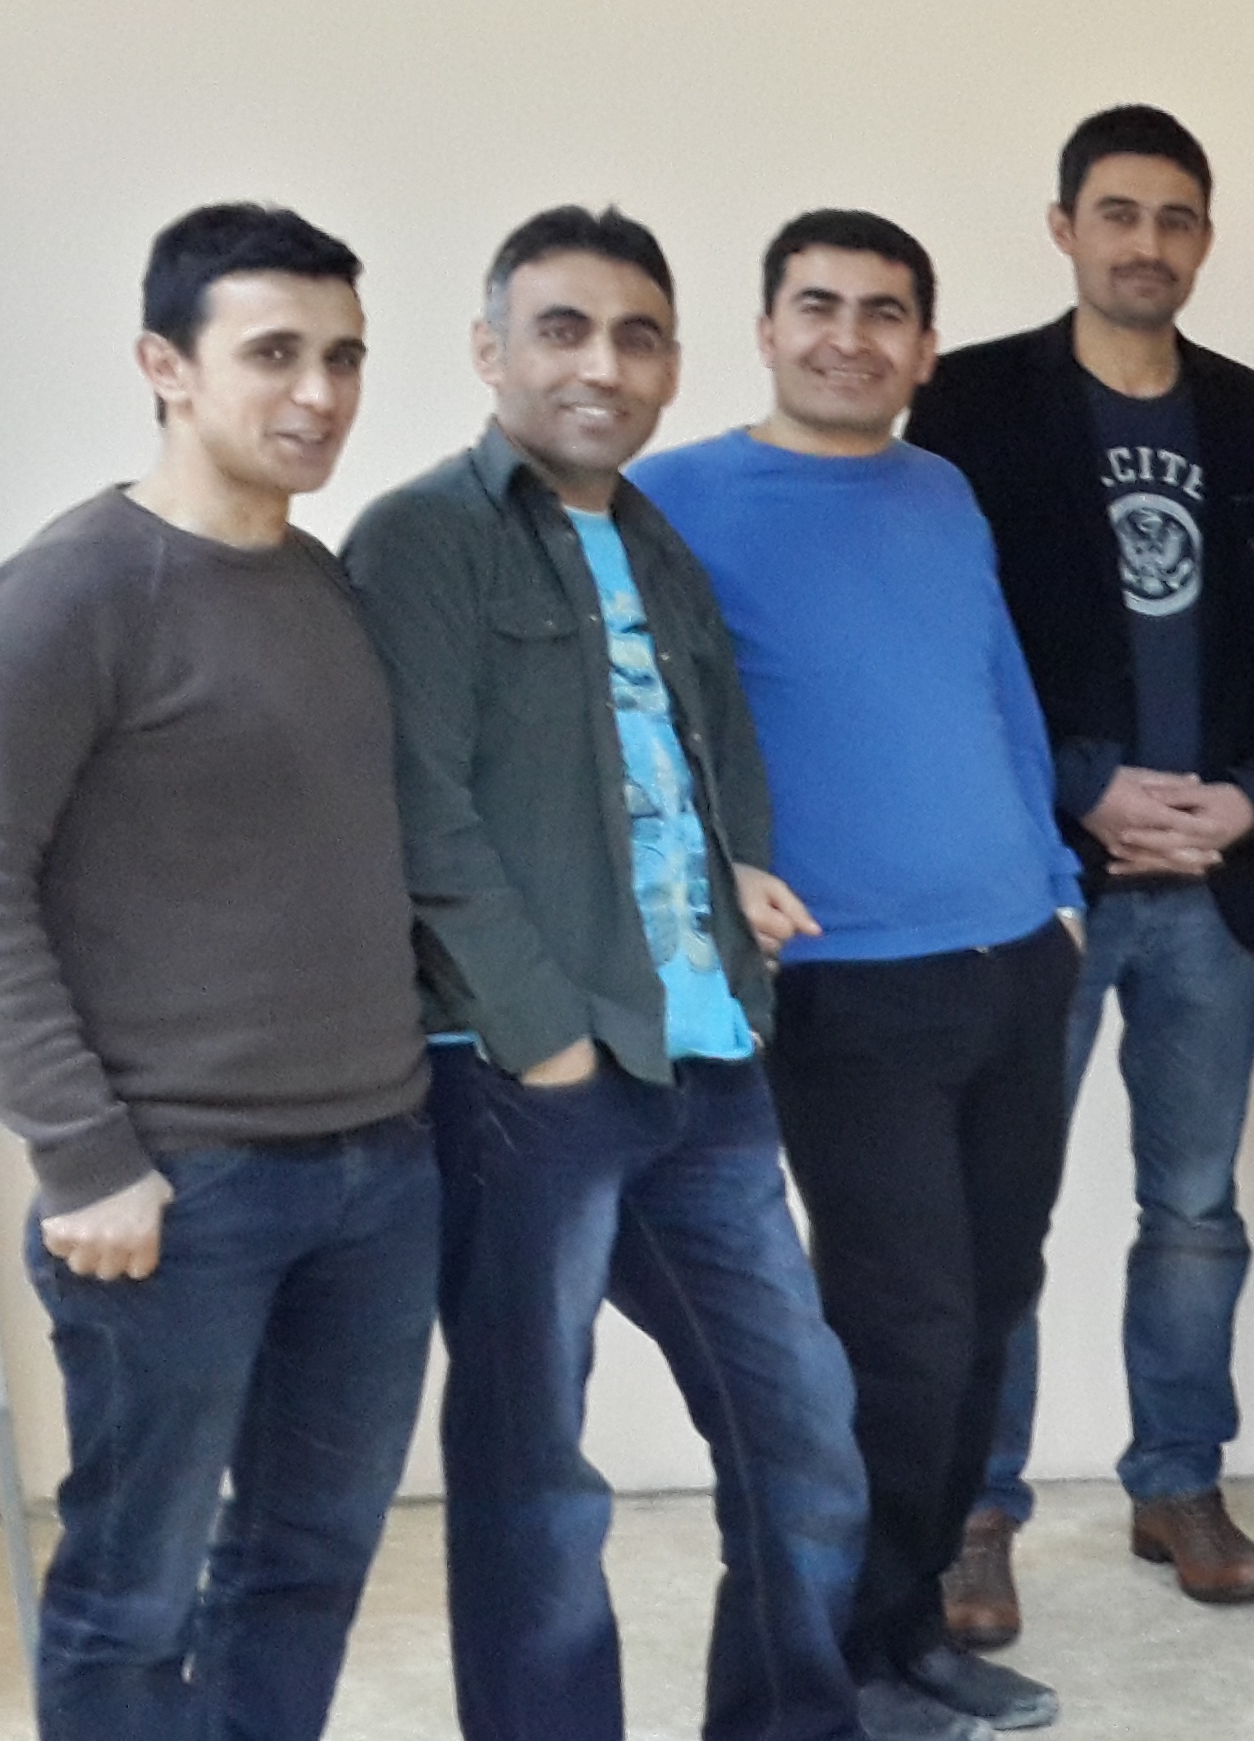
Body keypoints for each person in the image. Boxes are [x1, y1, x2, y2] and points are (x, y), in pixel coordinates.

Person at [342, 207, 906, 1741]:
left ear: (671, 364)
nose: (602, 364)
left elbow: (707, 758)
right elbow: (420, 810)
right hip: (527, 1077)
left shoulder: (656, 542)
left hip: (704, 1058)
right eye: (563, 329)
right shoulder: (420, 537)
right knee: (536, 1479)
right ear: (490, 350)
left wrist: (736, 879)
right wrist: (541, 1038)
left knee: (802, 1436)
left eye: (636, 336)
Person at [0, 204, 429, 1741]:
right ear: (166, 365)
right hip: (175, 1195)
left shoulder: (320, 584)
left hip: (375, 1171)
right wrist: (85, 1158)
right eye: (273, 353)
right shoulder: (72, 593)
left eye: (342, 356)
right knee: (131, 1595)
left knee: (306, 1564)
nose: (318, 393)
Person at [632, 210, 1083, 1733]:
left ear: (925, 347)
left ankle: (909, 1627)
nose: (849, 336)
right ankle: (838, 1661)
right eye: (817, 306)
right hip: (846, 985)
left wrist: (1058, 890)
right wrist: (709, 885)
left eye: (883, 312)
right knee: (901, 1340)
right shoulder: (674, 498)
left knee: (991, 1309)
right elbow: (634, 730)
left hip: (1013, 961)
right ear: (765, 330)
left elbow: (999, 691)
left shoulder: (941, 489)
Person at [904, 104, 1254, 1631]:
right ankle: (975, 1507)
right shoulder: (971, 405)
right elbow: (951, 636)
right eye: (1118, 214)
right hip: (1041, 882)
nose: (1147, 243)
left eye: (1175, 217)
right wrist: (1084, 787)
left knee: (1195, 1207)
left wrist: (1251, 795)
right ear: (1064, 226)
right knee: (996, 1206)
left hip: (1212, 884)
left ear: (1205, 239)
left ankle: (1177, 1481)